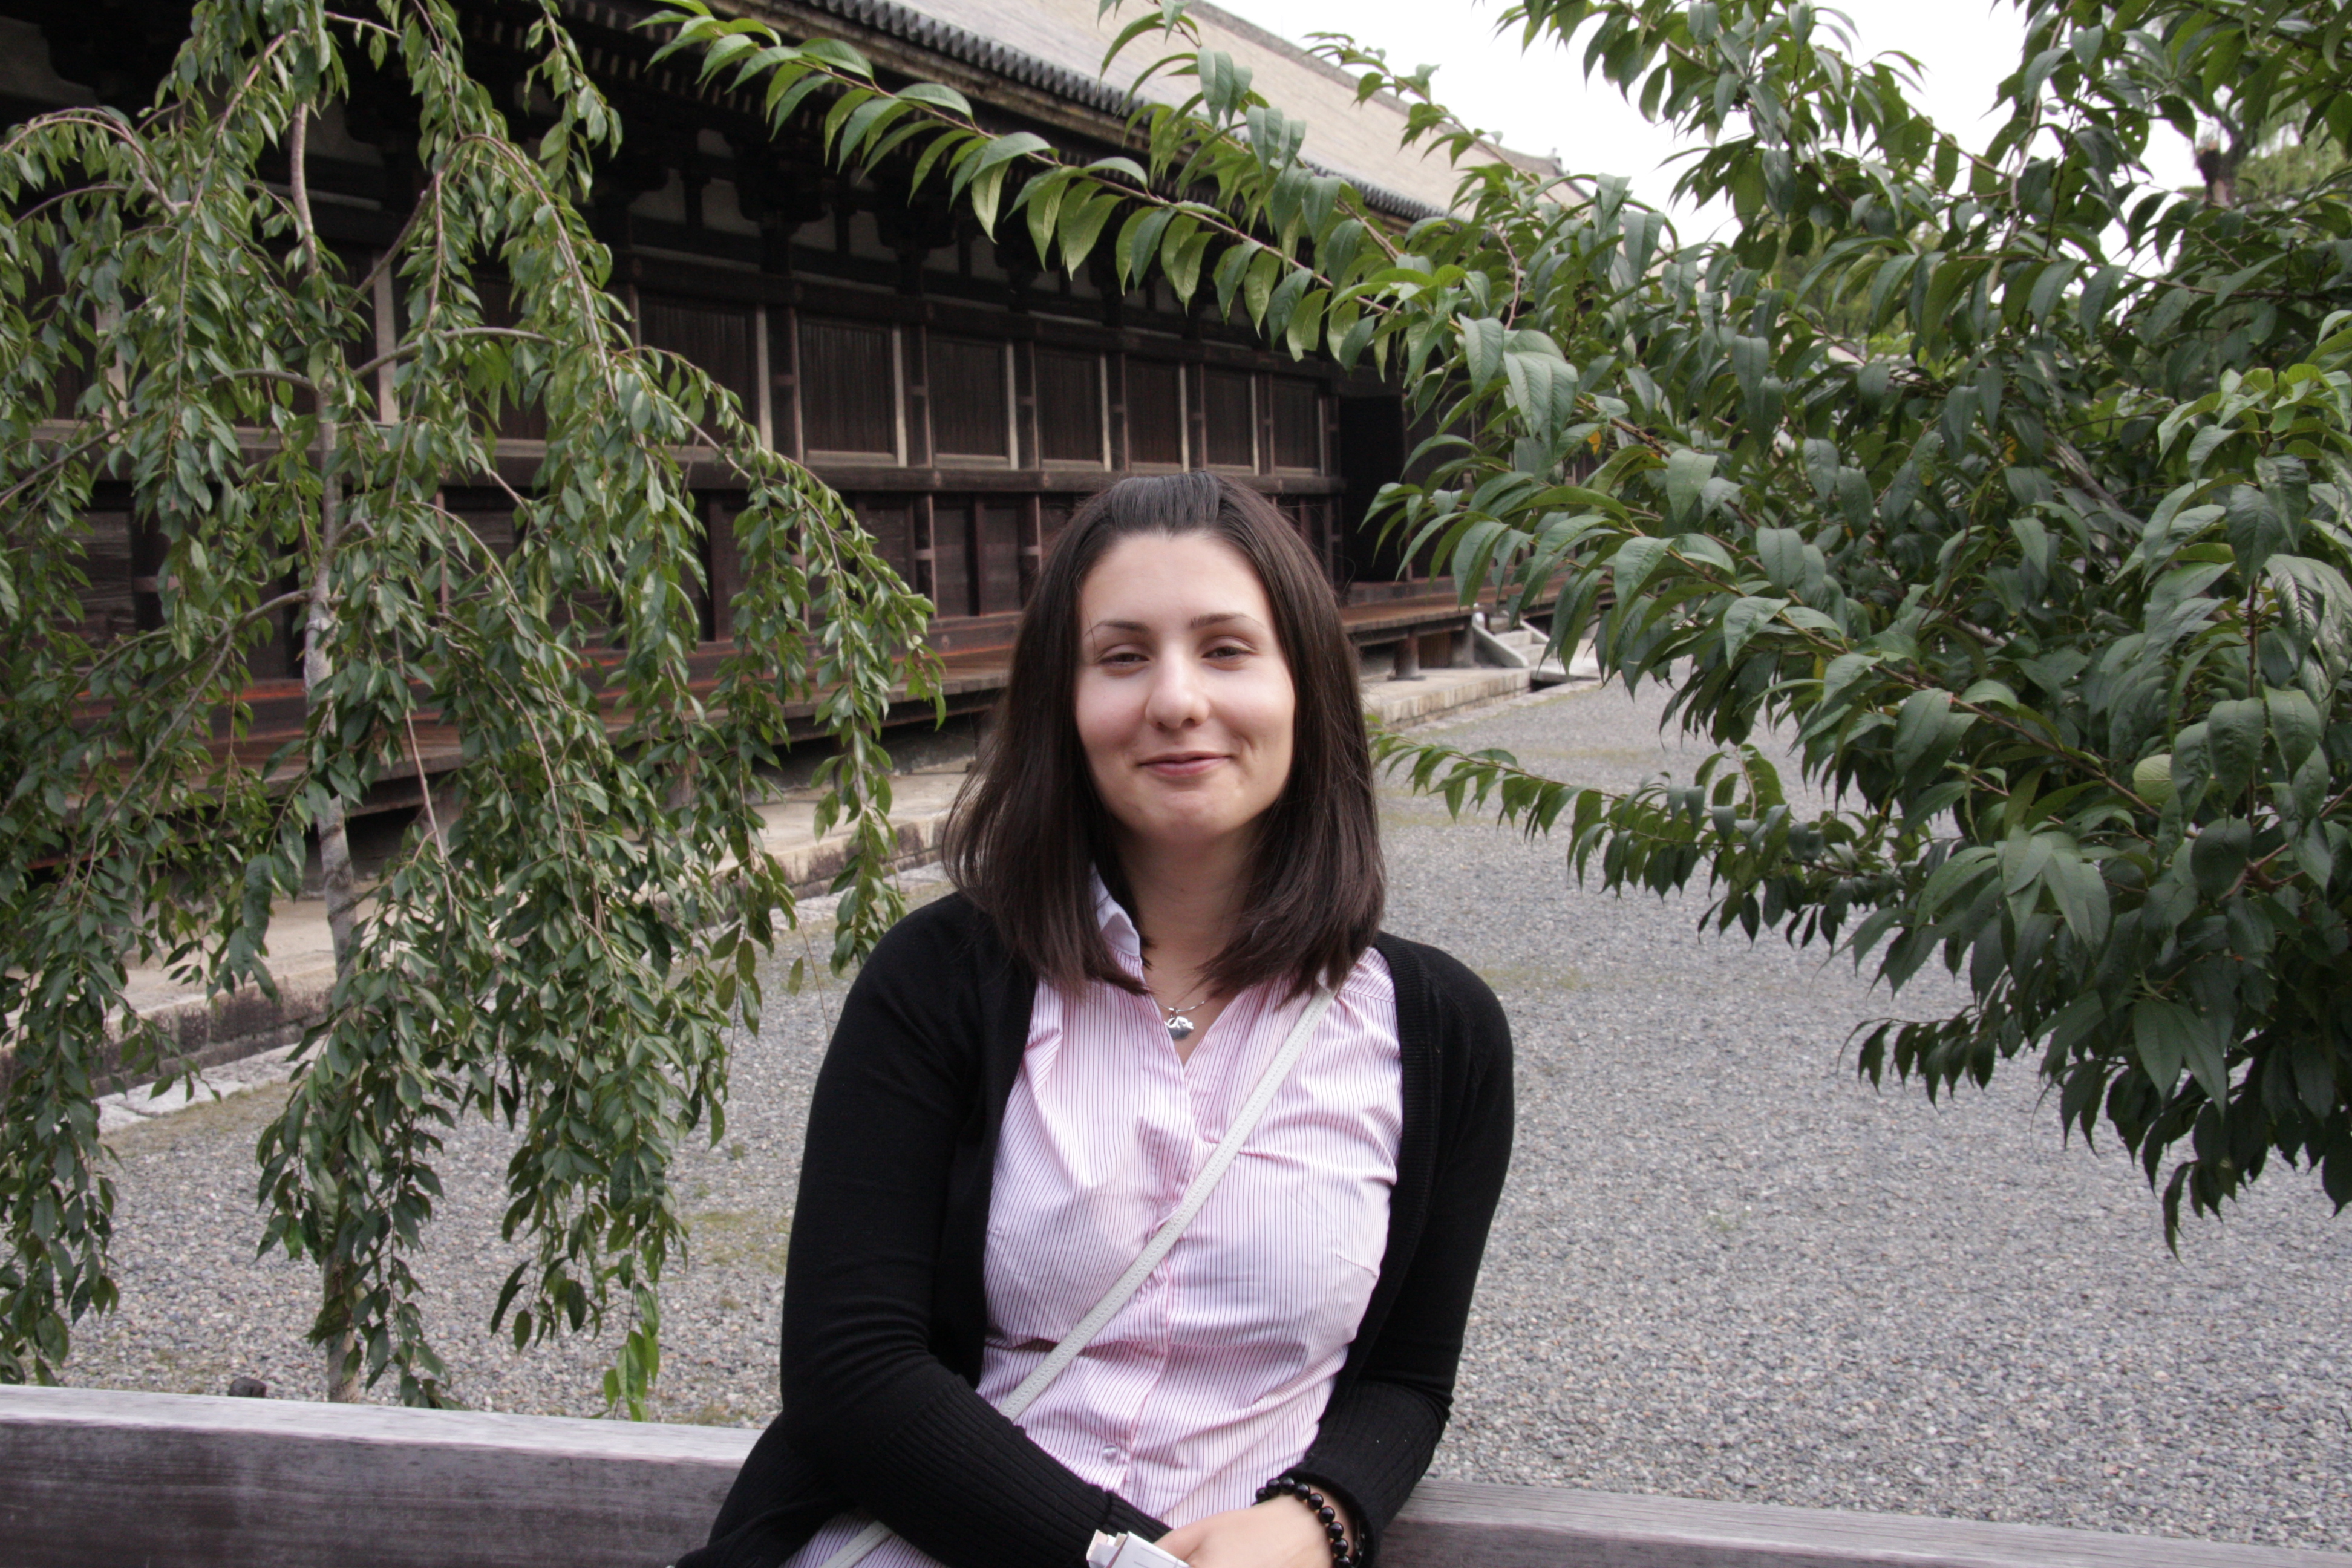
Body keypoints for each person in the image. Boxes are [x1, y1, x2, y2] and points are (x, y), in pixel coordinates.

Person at [682, 472, 1513, 1568]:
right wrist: (1118, 1561)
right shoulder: (941, 982)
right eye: (1122, 657)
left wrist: (1321, 1513)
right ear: (1063, 704)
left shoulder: (1438, 1033)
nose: (1176, 699)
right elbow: (853, 1368)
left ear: (1306, 682)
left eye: (1227, 649)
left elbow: (1406, 1375)